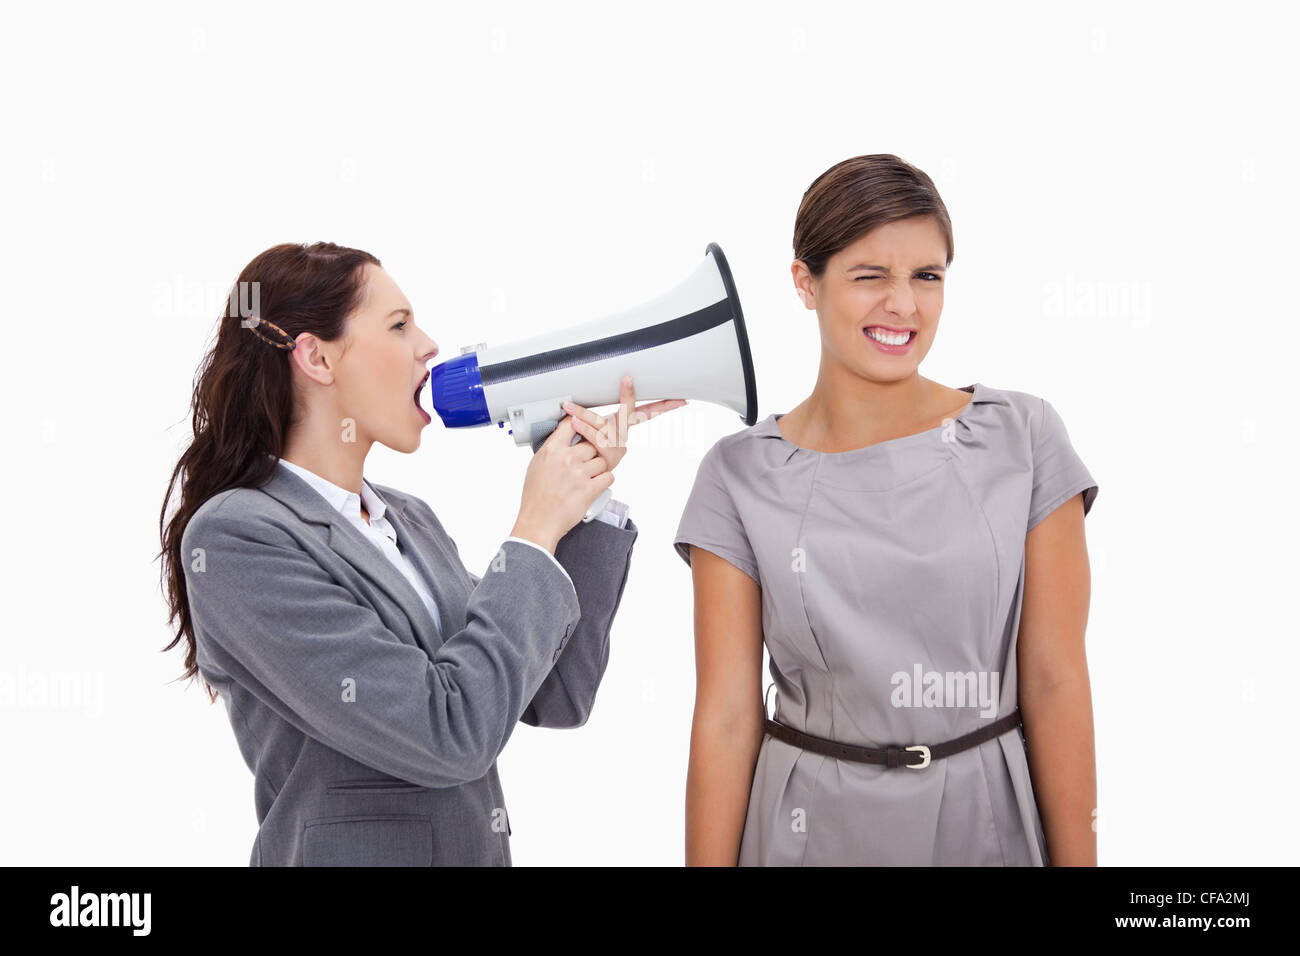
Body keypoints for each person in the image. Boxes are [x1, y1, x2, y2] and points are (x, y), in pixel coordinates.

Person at [158, 241, 684, 865]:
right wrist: (535, 528)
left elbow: (554, 695)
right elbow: (449, 735)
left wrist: (583, 501)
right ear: (316, 357)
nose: (429, 345)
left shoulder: (407, 519)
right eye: (400, 325)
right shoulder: (239, 538)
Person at [673, 155, 1100, 866]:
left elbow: (1056, 679)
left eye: (926, 277)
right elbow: (725, 716)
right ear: (805, 283)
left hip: (984, 823)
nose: (904, 305)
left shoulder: (1022, 437)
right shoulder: (737, 475)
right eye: (871, 276)